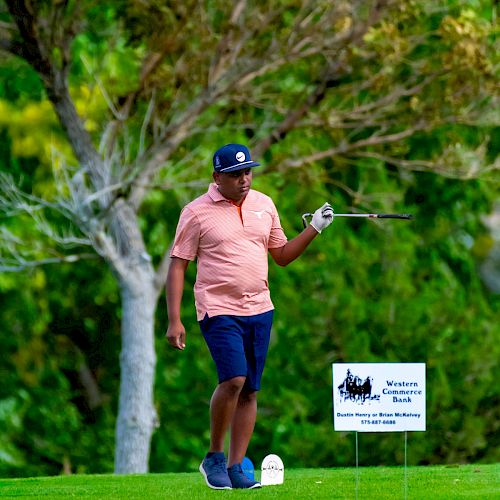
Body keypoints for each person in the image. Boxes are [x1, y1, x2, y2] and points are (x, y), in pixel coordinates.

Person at [165, 143, 334, 490]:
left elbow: (282, 256)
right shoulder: (196, 212)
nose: (244, 180)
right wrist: (174, 319)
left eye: (247, 172)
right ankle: (213, 456)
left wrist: (314, 228)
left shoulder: (264, 205)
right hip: (217, 308)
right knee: (234, 379)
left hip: (260, 308)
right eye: (235, 174)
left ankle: (236, 467)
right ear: (217, 177)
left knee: (250, 390)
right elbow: (179, 264)